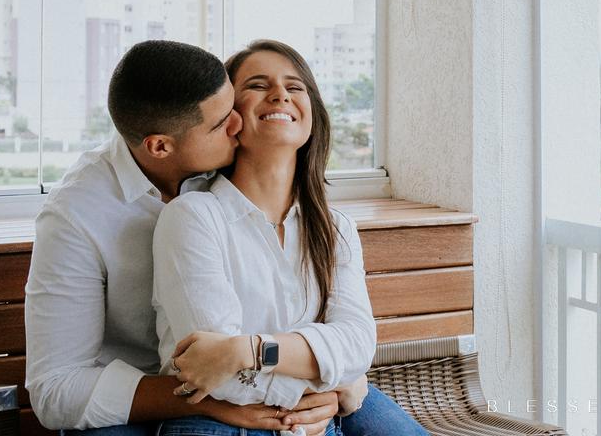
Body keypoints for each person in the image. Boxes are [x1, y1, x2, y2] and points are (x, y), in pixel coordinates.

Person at [25, 40, 339, 435]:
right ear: (160, 146)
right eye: (221, 121)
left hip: (265, 373)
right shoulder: (75, 215)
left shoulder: (227, 166)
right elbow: (56, 391)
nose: (238, 124)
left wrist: (341, 376)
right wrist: (207, 402)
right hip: (137, 395)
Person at [149, 40, 428, 436]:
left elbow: (357, 345)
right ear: (229, 117)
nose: (280, 93)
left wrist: (246, 350)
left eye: (295, 87)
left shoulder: (335, 229)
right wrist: (334, 382)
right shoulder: (192, 217)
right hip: (216, 424)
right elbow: (213, 372)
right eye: (258, 85)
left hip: (315, 425)